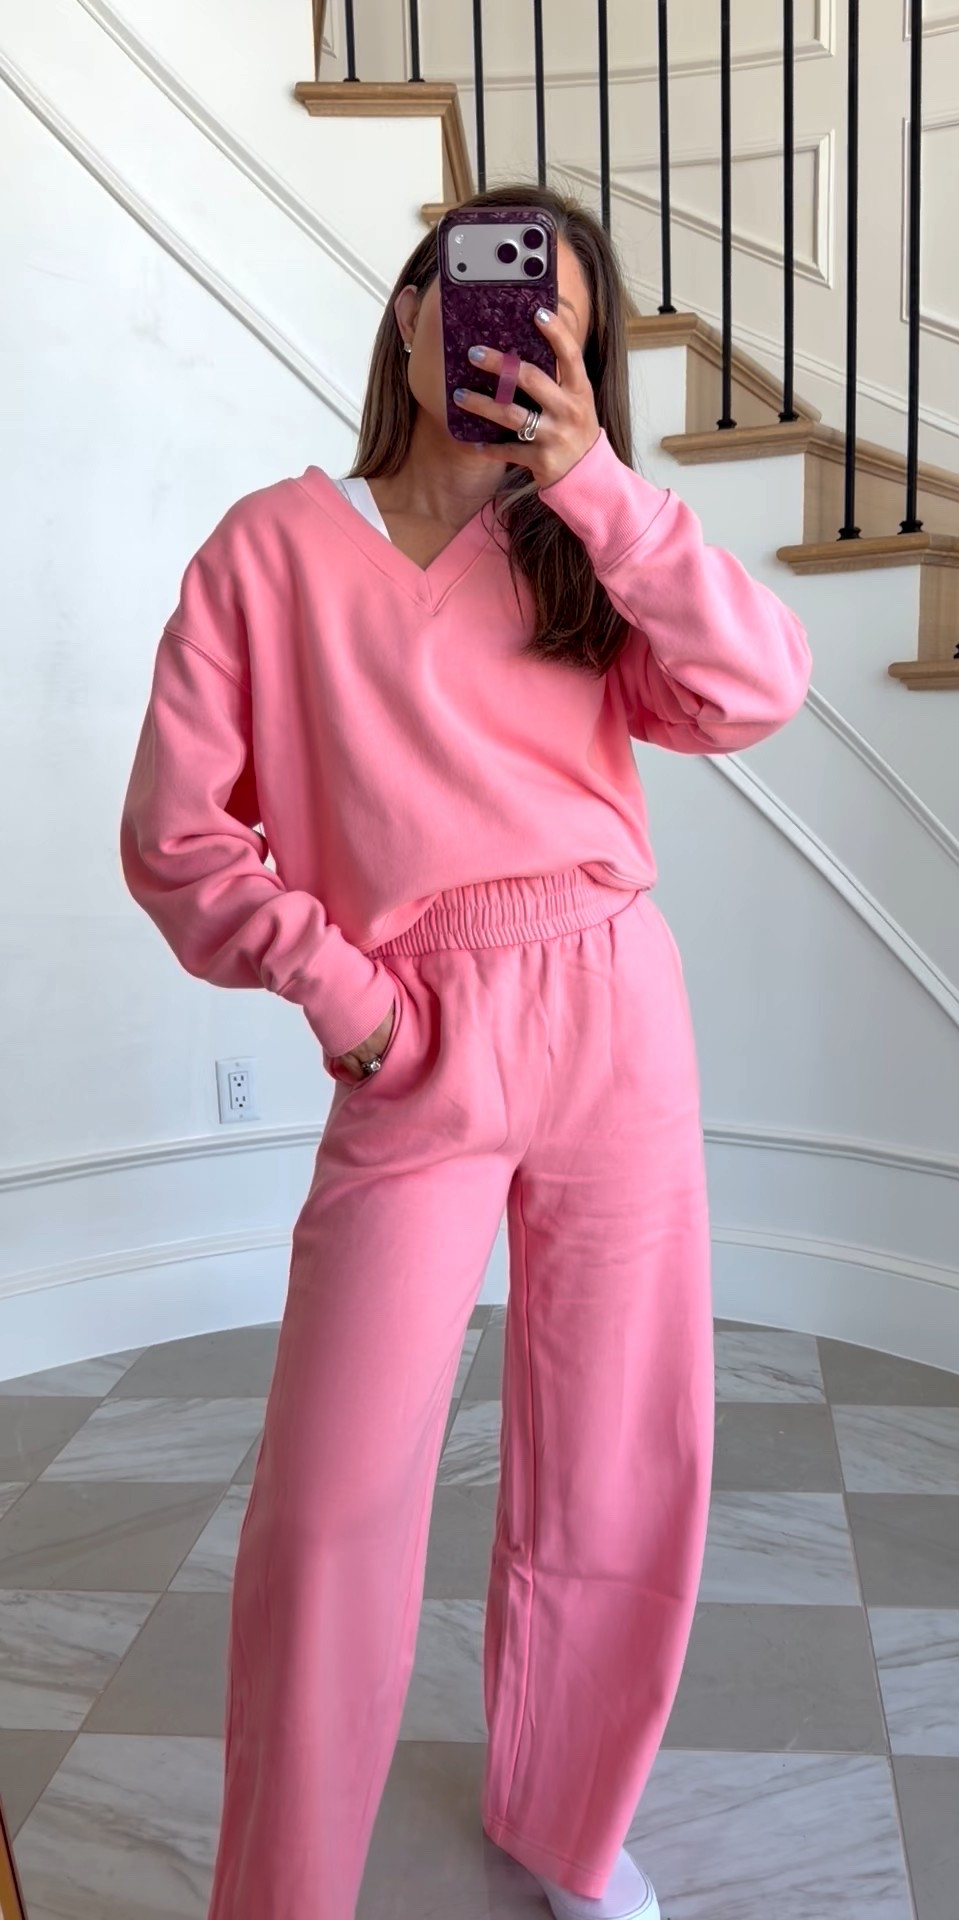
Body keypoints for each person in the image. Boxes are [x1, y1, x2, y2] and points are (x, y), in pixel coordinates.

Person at [119, 182, 812, 1920]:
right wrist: (343, 996)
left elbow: (758, 687)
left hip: (611, 1006)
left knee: (618, 1456)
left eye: (552, 314)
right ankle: (283, 1892)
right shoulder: (270, 553)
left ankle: (566, 1826)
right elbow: (178, 838)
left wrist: (597, 483)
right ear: (413, 311)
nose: (505, 330)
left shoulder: (581, 549)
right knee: (329, 1503)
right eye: (477, 289)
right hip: (411, 1030)